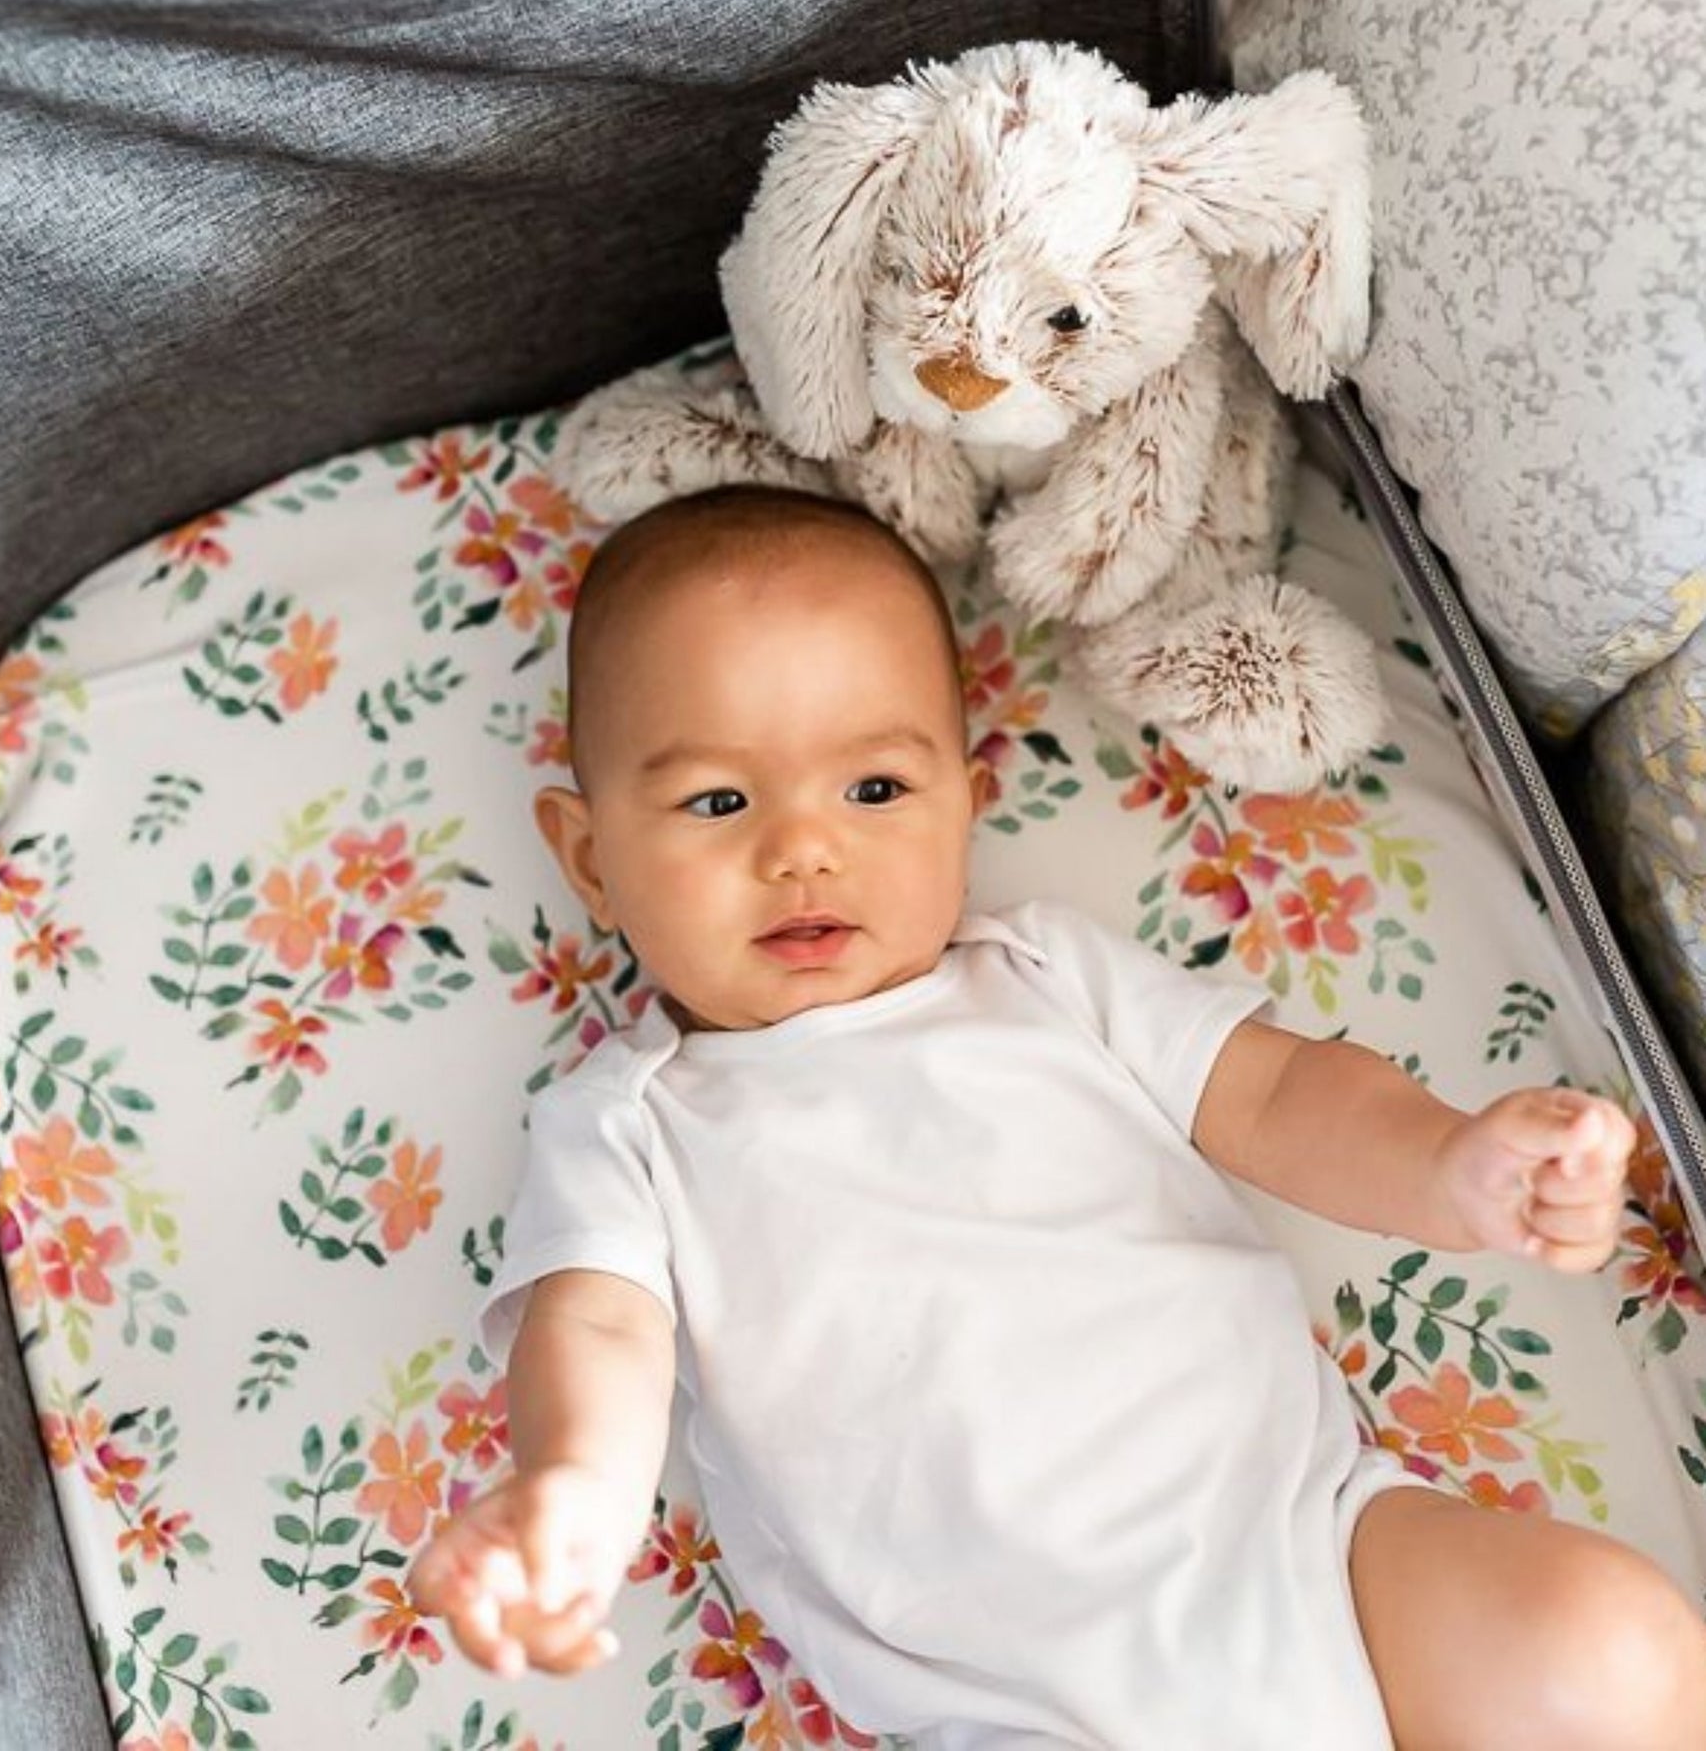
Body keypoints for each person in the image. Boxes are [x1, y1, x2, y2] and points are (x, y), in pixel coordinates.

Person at [407, 484, 1706, 1748]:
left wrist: (1448, 1161)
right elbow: (601, 1324)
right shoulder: (631, 1122)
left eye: (871, 790)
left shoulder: (1041, 978)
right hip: (1023, 1696)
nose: (800, 848)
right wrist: (572, 1489)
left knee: (1607, 1643)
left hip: (1306, 1544)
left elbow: (1271, 1089)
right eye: (716, 801)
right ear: (589, 859)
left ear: (967, 801)